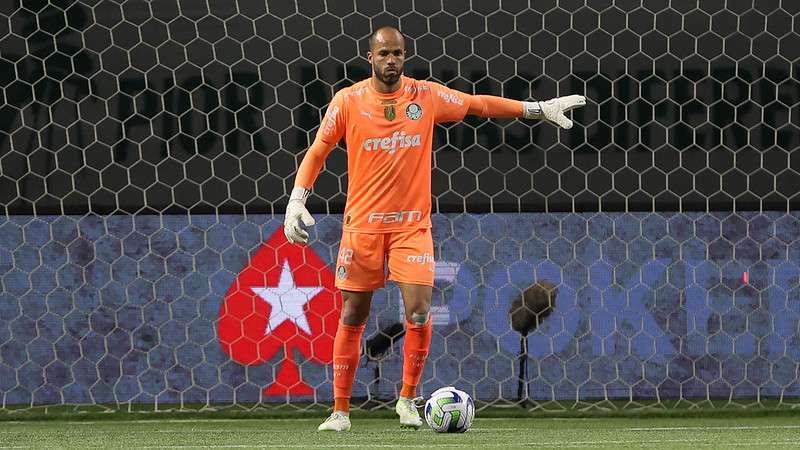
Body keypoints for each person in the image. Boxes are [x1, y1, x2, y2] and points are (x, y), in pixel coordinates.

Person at [283, 26, 585, 432]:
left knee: (420, 312)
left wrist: (536, 109)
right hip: (362, 229)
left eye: (398, 54)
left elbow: (479, 105)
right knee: (353, 314)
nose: (391, 60)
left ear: (405, 56)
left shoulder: (424, 96)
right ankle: (340, 411)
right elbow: (318, 150)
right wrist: (297, 200)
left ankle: (407, 401)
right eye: (384, 53)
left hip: (411, 229)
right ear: (370, 57)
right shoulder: (348, 101)